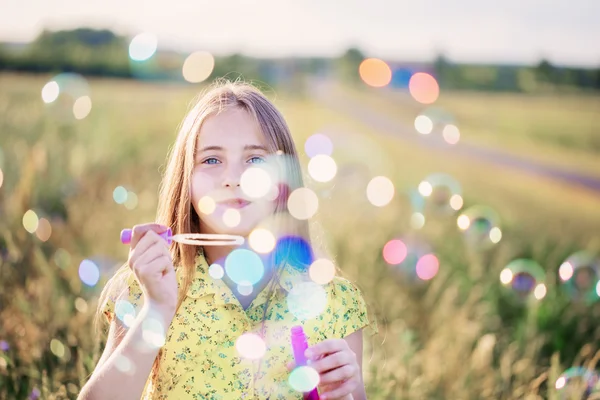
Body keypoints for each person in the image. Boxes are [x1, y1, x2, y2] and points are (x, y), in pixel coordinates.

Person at [78, 80, 377, 400]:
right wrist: (157, 308)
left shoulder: (333, 301)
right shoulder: (147, 286)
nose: (233, 178)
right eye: (211, 160)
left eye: (255, 160)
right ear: (185, 179)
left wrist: (348, 392)